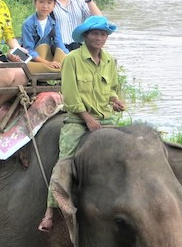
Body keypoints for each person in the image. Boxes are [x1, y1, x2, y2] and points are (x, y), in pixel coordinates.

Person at [38, 16, 125, 232]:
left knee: (125, 154)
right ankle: (50, 210)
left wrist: (115, 100)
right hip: (79, 119)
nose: (99, 37)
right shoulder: (72, 59)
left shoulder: (109, 61)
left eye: (103, 34)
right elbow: (70, 94)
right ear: (85, 36)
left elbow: (112, 88)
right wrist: (87, 119)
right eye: (94, 33)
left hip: (106, 118)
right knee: (65, 159)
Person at [21, 0, 68, 74]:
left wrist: (66, 55)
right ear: (35, 3)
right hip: (33, 58)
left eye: (49, 2)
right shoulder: (28, 24)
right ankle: (50, 70)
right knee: (42, 47)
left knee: (59, 52)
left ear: (54, 5)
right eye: (41, 1)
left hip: (47, 57)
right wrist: (48, 63)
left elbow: (59, 43)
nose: (45, 6)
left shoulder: (53, 23)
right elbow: (28, 49)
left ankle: (52, 69)